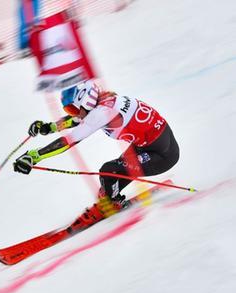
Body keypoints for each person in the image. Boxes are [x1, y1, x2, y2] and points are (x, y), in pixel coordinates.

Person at [13, 79, 180, 222]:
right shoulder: (103, 100)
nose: (73, 114)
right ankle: (109, 198)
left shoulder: (102, 112)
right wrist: (48, 127)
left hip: (162, 156)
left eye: (72, 108)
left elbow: (69, 140)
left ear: (86, 101)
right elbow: (78, 120)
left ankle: (113, 204)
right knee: (110, 181)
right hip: (151, 145)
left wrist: (34, 156)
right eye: (69, 110)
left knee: (108, 171)